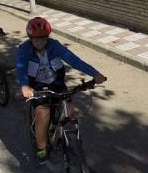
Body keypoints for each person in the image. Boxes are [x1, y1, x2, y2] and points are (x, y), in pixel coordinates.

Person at [16, 16, 107, 164]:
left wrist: (95, 73)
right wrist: (25, 85)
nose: (40, 42)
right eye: (36, 39)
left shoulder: (54, 46)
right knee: (42, 112)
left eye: (44, 38)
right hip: (37, 85)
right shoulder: (24, 49)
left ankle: (63, 136)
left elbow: (74, 60)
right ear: (30, 38)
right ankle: (41, 148)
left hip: (56, 82)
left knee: (70, 111)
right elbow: (21, 68)